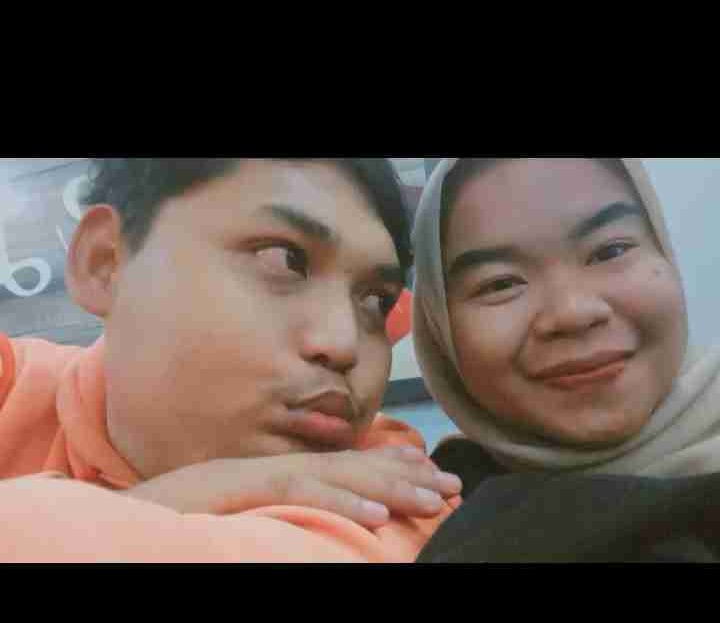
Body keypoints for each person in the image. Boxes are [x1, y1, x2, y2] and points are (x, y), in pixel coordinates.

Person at [0, 158, 461, 563]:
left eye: (376, 300)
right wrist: (185, 494)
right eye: (284, 260)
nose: (344, 344)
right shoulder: (14, 384)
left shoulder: (395, 496)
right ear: (105, 263)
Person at [410, 158, 720, 562]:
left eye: (610, 250)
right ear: (440, 331)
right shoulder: (418, 509)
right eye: (501, 283)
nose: (573, 313)